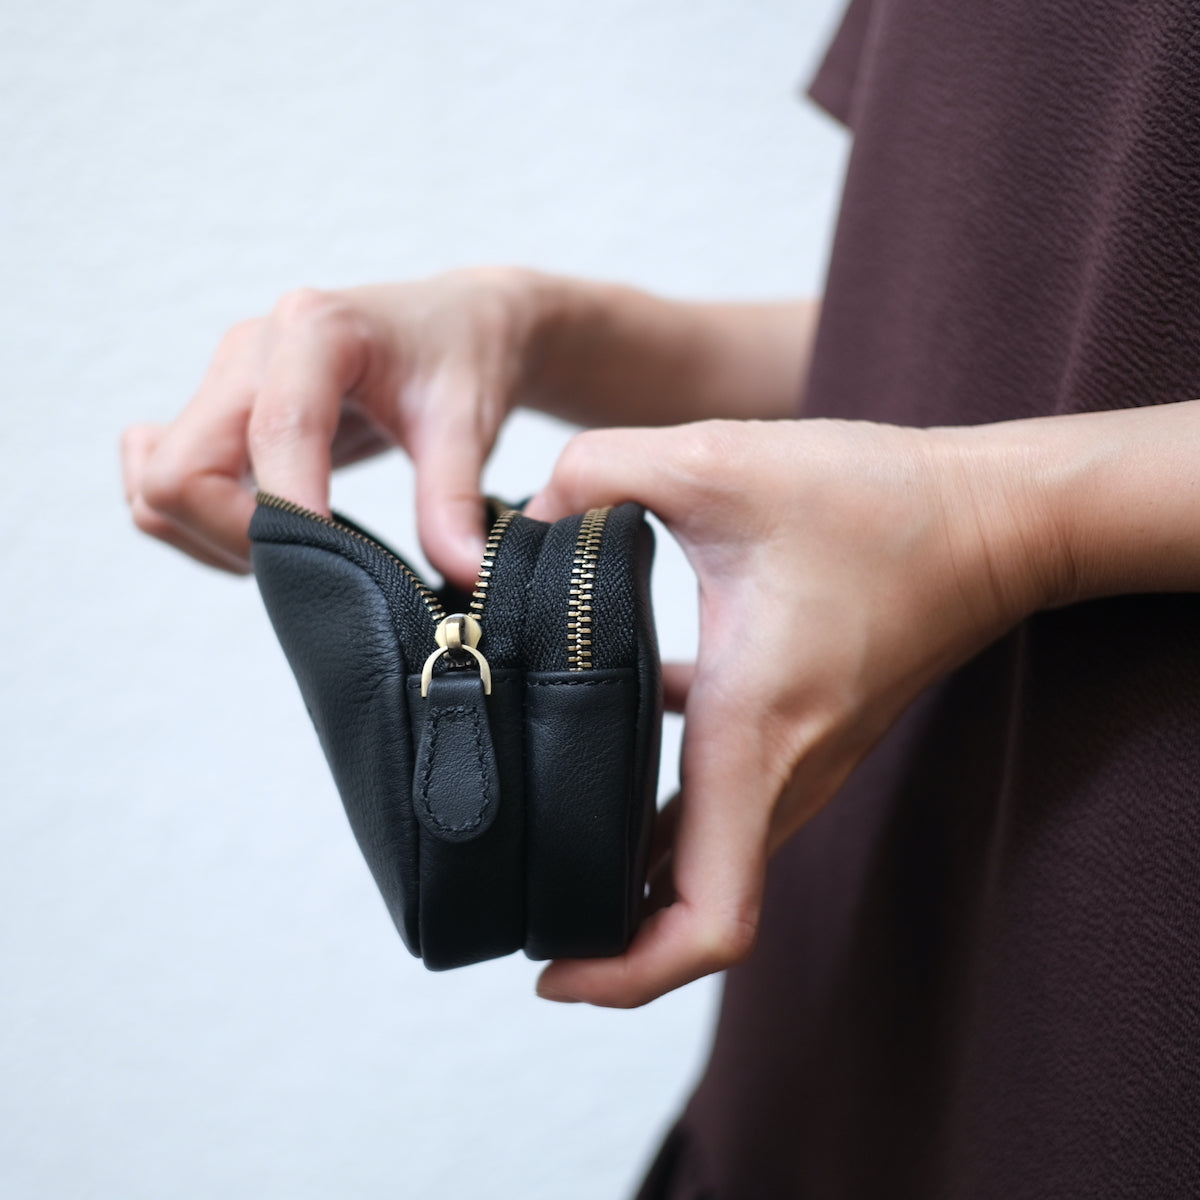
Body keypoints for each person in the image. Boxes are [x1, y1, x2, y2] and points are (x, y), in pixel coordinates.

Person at [122, 0, 1200, 1194]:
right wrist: (533, 323)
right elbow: (987, 327)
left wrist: (1000, 522)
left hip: (1123, 972)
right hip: (836, 1007)